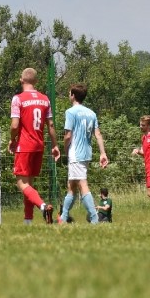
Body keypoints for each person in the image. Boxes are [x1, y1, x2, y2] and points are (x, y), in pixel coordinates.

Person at [9, 67, 61, 224]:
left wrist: (12, 140)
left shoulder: (18, 99)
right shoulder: (45, 99)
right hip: (39, 146)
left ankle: (43, 206)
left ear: (21, 80)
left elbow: (14, 125)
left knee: (21, 183)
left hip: (24, 146)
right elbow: (50, 125)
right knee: (29, 184)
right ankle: (28, 221)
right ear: (36, 81)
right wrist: (55, 145)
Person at [58, 83, 109, 224]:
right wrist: (103, 153)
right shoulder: (91, 113)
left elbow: (68, 135)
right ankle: (63, 217)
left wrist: (65, 149)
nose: (69, 95)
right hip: (86, 153)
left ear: (73, 95)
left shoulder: (70, 112)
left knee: (82, 184)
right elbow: (97, 134)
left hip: (76, 153)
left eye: (69, 93)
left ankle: (94, 217)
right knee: (72, 185)